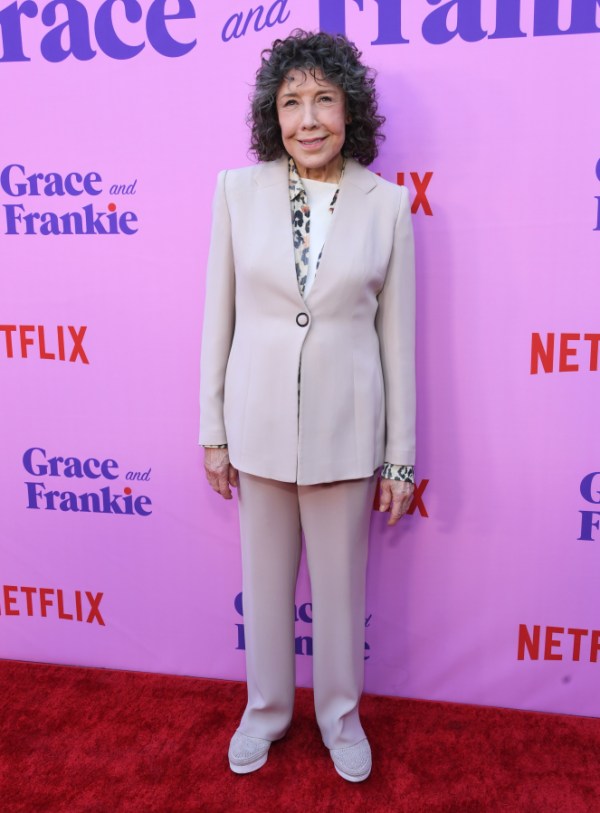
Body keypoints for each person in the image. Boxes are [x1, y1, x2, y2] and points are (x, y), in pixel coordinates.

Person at [199, 30, 415, 783]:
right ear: (274, 115)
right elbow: (216, 318)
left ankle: (340, 718)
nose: (309, 118)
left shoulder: (387, 205)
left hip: (346, 432)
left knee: (341, 588)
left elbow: (398, 341)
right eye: (292, 102)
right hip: (256, 428)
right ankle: (264, 711)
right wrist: (212, 429)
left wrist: (400, 455)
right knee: (263, 585)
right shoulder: (235, 190)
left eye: (324, 98)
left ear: (350, 110)